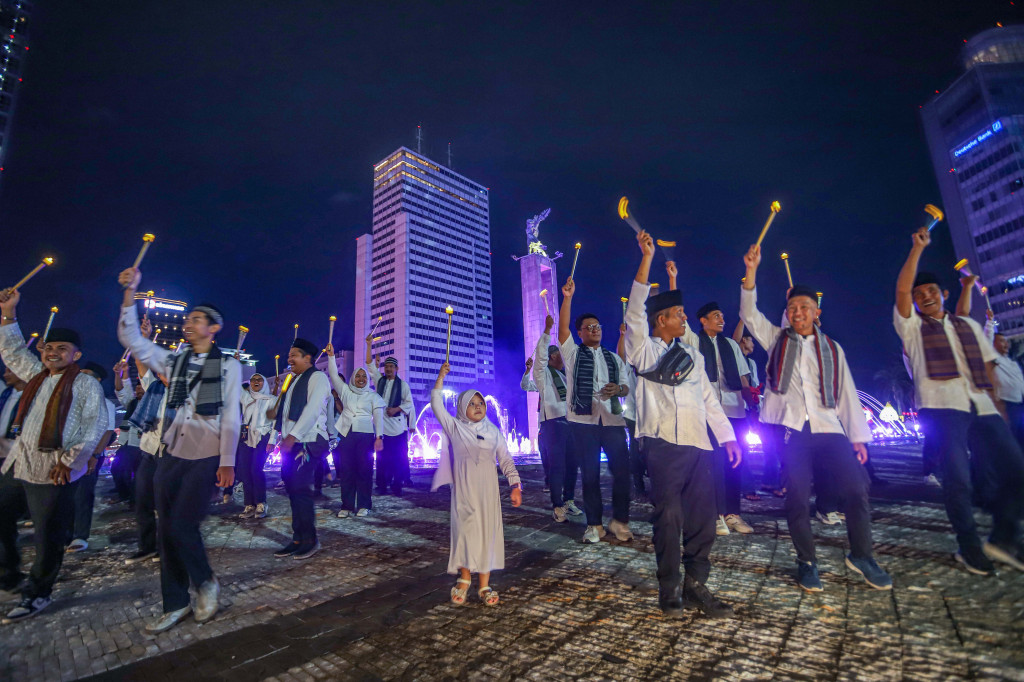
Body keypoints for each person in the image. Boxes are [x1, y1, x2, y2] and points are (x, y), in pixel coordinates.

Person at [742, 243, 891, 592]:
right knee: (796, 497)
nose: (798, 312)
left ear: (816, 313)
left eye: (805, 307)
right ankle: (806, 561)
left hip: (831, 429)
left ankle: (862, 555)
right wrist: (752, 270)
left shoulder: (833, 349)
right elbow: (749, 313)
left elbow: (847, 394)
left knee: (856, 489)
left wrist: (858, 437)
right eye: (792, 307)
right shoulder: (776, 338)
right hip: (795, 431)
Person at [894, 227, 1024, 575]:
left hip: (980, 405)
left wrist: (999, 410)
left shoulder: (965, 324)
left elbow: (986, 369)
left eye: (932, 291)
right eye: (920, 294)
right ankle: (968, 546)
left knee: (1017, 470)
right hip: (941, 408)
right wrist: (917, 249)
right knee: (957, 480)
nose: (925, 297)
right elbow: (903, 289)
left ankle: (1003, 536)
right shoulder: (911, 327)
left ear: (944, 294)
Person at [117, 266, 241, 633]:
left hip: (206, 455)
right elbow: (130, 338)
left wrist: (228, 462)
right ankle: (175, 603)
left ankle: (205, 583)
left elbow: (231, 413)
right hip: (171, 452)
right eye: (188, 319)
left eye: (197, 320)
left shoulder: (229, 366)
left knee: (183, 524)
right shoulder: (174, 361)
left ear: (213, 328)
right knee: (165, 528)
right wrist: (130, 294)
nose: (188, 324)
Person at [624, 230, 738, 618]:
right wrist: (646, 258)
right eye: (680, 315)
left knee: (704, 519)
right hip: (661, 445)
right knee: (668, 517)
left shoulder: (692, 355)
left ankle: (695, 585)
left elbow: (708, 398)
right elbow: (634, 311)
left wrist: (727, 438)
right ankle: (669, 587)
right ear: (662, 320)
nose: (684, 319)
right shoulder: (641, 350)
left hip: (700, 445)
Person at [0, 288, 106, 623]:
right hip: (19, 463)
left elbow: (95, 426)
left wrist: (69, 461)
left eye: (62, 348)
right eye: (49, 347)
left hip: (53, 470)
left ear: (76, 355)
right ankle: (9, 576)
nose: (53, 352)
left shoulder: (87, 385)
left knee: (48, 537)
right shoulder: (36, 377)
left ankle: (38, 593)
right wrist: (9, 314)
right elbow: (13, 350)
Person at [430, 362, 522, 606]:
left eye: (480, 403)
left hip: (487, 493)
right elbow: (436, 403)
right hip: (464, 492)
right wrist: (441, 377)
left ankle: (484, 584)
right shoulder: (455, 427)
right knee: (465, 532)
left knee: (486, 533)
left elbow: (505, 459)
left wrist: (515, 485)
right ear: (462, 408)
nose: (478, 406)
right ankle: (464, 578)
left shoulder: (493, 431)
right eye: (472, 403)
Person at [558, 277, 633, 544]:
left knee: (623, 473)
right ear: (580, 333)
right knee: (589, 474)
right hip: (583, 421)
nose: (595, 330)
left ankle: (620, 520)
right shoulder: (573, 354)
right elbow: (562, 329)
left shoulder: (613, 357)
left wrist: (618, 390)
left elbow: (626, 387)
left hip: (612, 420)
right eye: (589, 327)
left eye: (598, 326)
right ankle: (594, 524)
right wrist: (567, 297)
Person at [269, 338, 330, 560]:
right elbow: (285, 415)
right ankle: (297, 539)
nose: (289, 358)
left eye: (294, 354)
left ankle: (310, 540)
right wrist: (281, 435)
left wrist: (293, 436)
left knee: (301, 490)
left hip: (308, 440)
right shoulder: (293, 381)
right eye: (289, 354)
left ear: (308, 358)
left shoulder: (318, 377)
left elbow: (313, 409)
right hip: (291, 442)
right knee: (293, 490)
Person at [533, 315, 583, 522]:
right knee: (557, 466)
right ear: (552, 357)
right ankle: (557, 505)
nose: (562, 358)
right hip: (553, 423)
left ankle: (569, 500)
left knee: (572, 464)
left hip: (570, 422)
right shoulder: (542, 374)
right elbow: (540, 356)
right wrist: (547, 331)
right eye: (559, 355)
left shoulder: (563, 376)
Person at [324, 343, 384, 518]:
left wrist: (379, 437)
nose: (361, 379)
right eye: (357, 376)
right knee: (347, 471)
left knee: (364, 470)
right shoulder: (345, 392)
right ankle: (347, 505)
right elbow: (334, 375)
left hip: (365, 436)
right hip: (346, 434)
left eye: (363, 376)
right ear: (352, 378)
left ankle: (364, 505)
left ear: (367, 379)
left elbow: (378, 417)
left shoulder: (373, 396)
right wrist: (331, 357)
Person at [66, 361, 118, 553]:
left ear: (97, 380)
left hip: (89, 456)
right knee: (64, 495)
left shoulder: (106, 403)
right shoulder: (70, 399)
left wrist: (94, 455)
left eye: (86, 374)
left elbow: (107, 432)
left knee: (82, 496)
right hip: (66, 454)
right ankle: (64, 533)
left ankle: (80, 536)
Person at [365, 335, 414, 496]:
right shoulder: (380, 381)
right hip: (381, 428)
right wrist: (369, 345)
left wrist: (397, 408)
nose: (388, 369)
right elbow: (370, 365)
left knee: (399, 459)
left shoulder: (403, 385)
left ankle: (397, 485)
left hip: (398, 429)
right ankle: (381, 485)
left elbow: (409, 403)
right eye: (386, 367)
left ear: (396, 369)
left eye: (391, 367)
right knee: (381, 459)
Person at [237, 372, 276, 519]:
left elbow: (275, 423)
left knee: (256, 469)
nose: (256, 382)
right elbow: (235, 385)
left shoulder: (272, 400)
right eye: (253, 380)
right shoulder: (247, 398)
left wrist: (272, 440)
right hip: (246, 437)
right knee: (245, 471)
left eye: (259, 379)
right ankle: (249, 504)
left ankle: (261, 503)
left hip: (262, 437)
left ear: (264, 383)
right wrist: (235, 366)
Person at [111, 359, 146, 506]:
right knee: (116, 469)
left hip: (142, 445)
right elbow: (122, 391)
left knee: (139, 476)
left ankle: (135, 500)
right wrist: (121, 373)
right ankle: (124, 495)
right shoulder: (132, 403)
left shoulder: (154, 402)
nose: (138, 391)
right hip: (126, 443)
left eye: (141, 389)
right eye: (137, 389)